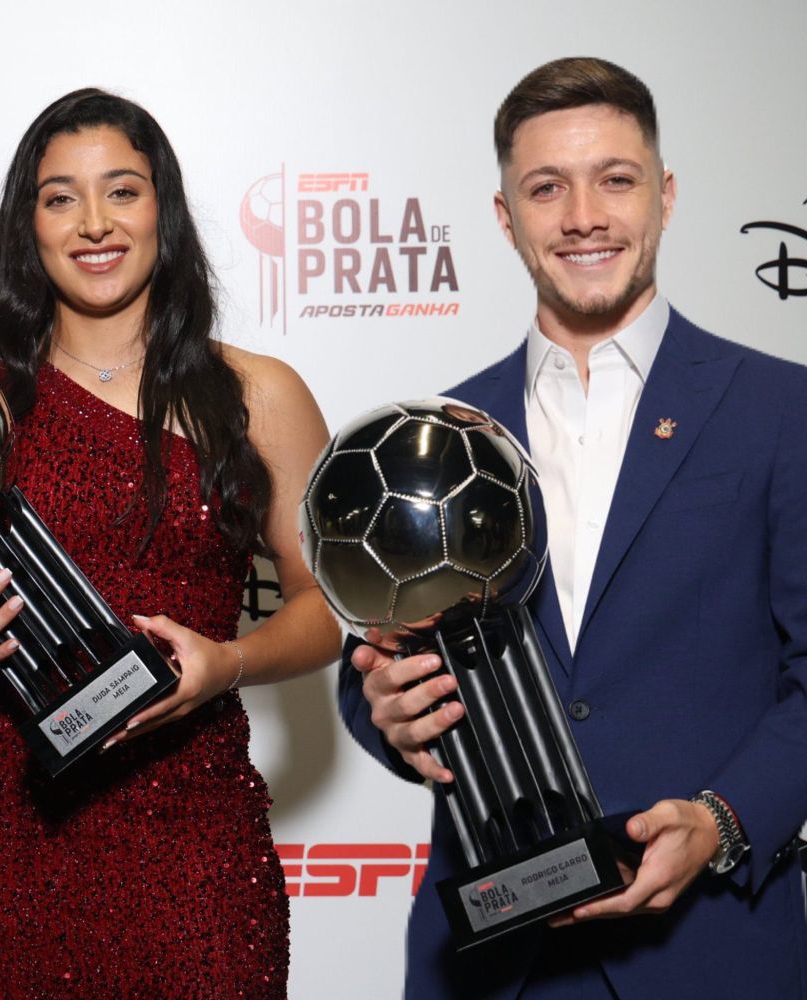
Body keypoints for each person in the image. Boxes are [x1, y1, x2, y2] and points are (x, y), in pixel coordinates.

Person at [340, 57, 807, 999]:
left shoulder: (778, 409)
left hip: (712, 950)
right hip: (490, 958)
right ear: (507, 216)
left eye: (616, 180)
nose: (584, 215)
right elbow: (374, 665)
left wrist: (722, 821)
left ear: (665, 196)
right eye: (547, 187)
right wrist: (386, 717)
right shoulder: (436, 436)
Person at [0, 88, 341, 999]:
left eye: (121, 190)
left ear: (161, 207)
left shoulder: (259, 394)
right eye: (60, 197)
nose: (94, 222)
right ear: (29, 224)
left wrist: (229, 663)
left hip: (192, 835)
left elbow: (326, 607)